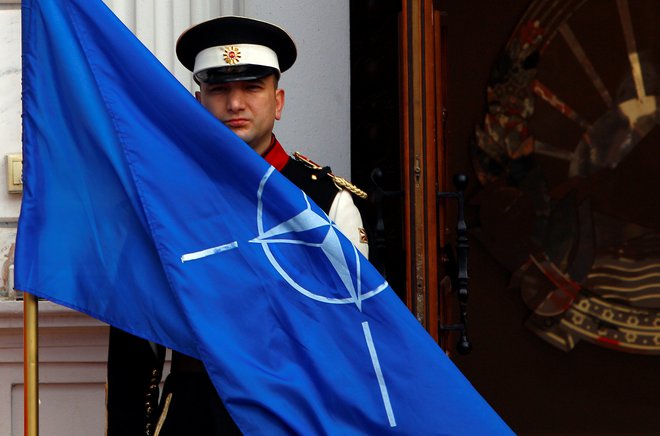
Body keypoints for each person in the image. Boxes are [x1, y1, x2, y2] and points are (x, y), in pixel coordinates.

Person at [106, 16, 369, 436]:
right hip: (193, 412)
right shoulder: (162, 204)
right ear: (198, 101)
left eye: (251, 87)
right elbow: (137, 342)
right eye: (220, 89)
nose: (235, 104)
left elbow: (352, 335)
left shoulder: (325, 202)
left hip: (295, 414)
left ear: (278, 101)